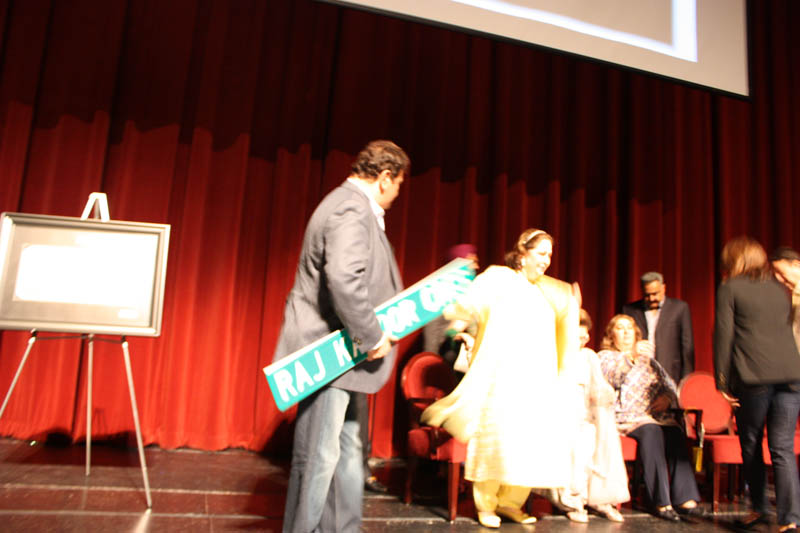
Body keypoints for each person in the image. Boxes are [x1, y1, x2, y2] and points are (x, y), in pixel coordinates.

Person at [273, 140, 408, 533]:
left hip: (348, 358)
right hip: (330, 352)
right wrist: (372, 336)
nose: (397, 194)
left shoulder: (354, 206)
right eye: (399, 184)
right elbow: (344, 280)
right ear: (385, 177)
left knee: (348, 453)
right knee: (318, 457)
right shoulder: (350, 207)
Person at [420, 228, 578, 528]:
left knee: (528, 443)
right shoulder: (498, 278)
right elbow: (465, 305)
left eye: (550, 255)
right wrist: (457, 323)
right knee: (497, 440)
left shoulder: (549, 290)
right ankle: (486, 504)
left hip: (537, 380)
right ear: (523, 253)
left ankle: (510, 503)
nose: (546, 260)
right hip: (502, 378)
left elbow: (565, 332)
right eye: (541, 253)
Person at [713, 237, 800, 532]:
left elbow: (723, 336)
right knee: (783, 447)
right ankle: (790, 519)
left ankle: (760, 508)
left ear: (733, 260)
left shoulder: (729, 288)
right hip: (792, 377)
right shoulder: (779, 289)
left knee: (750, 443)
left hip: (754, 378)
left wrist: (722, 381)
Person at [598, 314, 701, 521]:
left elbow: (670, 385)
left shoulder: (648, 361)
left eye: (630, 328)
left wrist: (667, 398)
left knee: (674, 432)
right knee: (652, 432)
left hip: (653, 417)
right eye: (620, 328)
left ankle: (686, 499)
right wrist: (631, 357)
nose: (626, 333)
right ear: (611, 335)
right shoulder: (606, 357)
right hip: (625, 418)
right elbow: (614, 377)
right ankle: (661, 502)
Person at [548, 309, 629, 523]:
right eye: (579, 334)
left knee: (594, 449)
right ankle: (572, 502)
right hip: (562, 416)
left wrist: (604, 393)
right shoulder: (555, 355)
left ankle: (600, 499)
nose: (584, 338)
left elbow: (599, 384)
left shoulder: (588, 356)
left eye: (585, 335)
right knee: (572, 454)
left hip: (586, 416)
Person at [622, 272, 695, 383]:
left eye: (655, 294)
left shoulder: (680, 308)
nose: (651, 298)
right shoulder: (629, 310)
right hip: (639, 374)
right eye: (647, 295)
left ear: (663, 288)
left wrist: (687, 380)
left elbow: (687, 346)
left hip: (670, 374)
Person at [770, 246, 800, 349]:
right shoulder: (789, 295)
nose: (779, 278)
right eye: (775, 273)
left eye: (781, 272)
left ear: (796, 265)